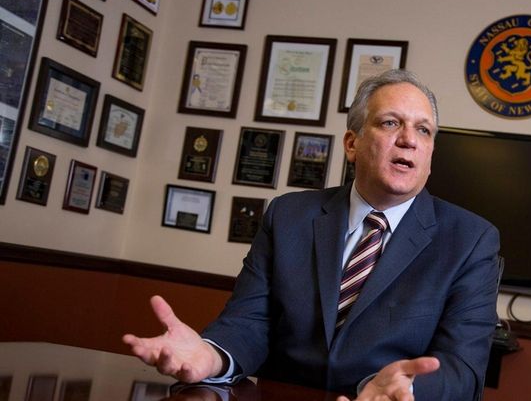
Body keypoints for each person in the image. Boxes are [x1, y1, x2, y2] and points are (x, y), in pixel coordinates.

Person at [123, 69, 501, 401]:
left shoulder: (470, 240)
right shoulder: (289, 215)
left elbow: (463, 370)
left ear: (431, 152)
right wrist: (211, 355)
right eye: (390, 123)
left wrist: (403, 389)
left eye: (423, 130)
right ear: (352, 144)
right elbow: (250, 321)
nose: (409, 140)